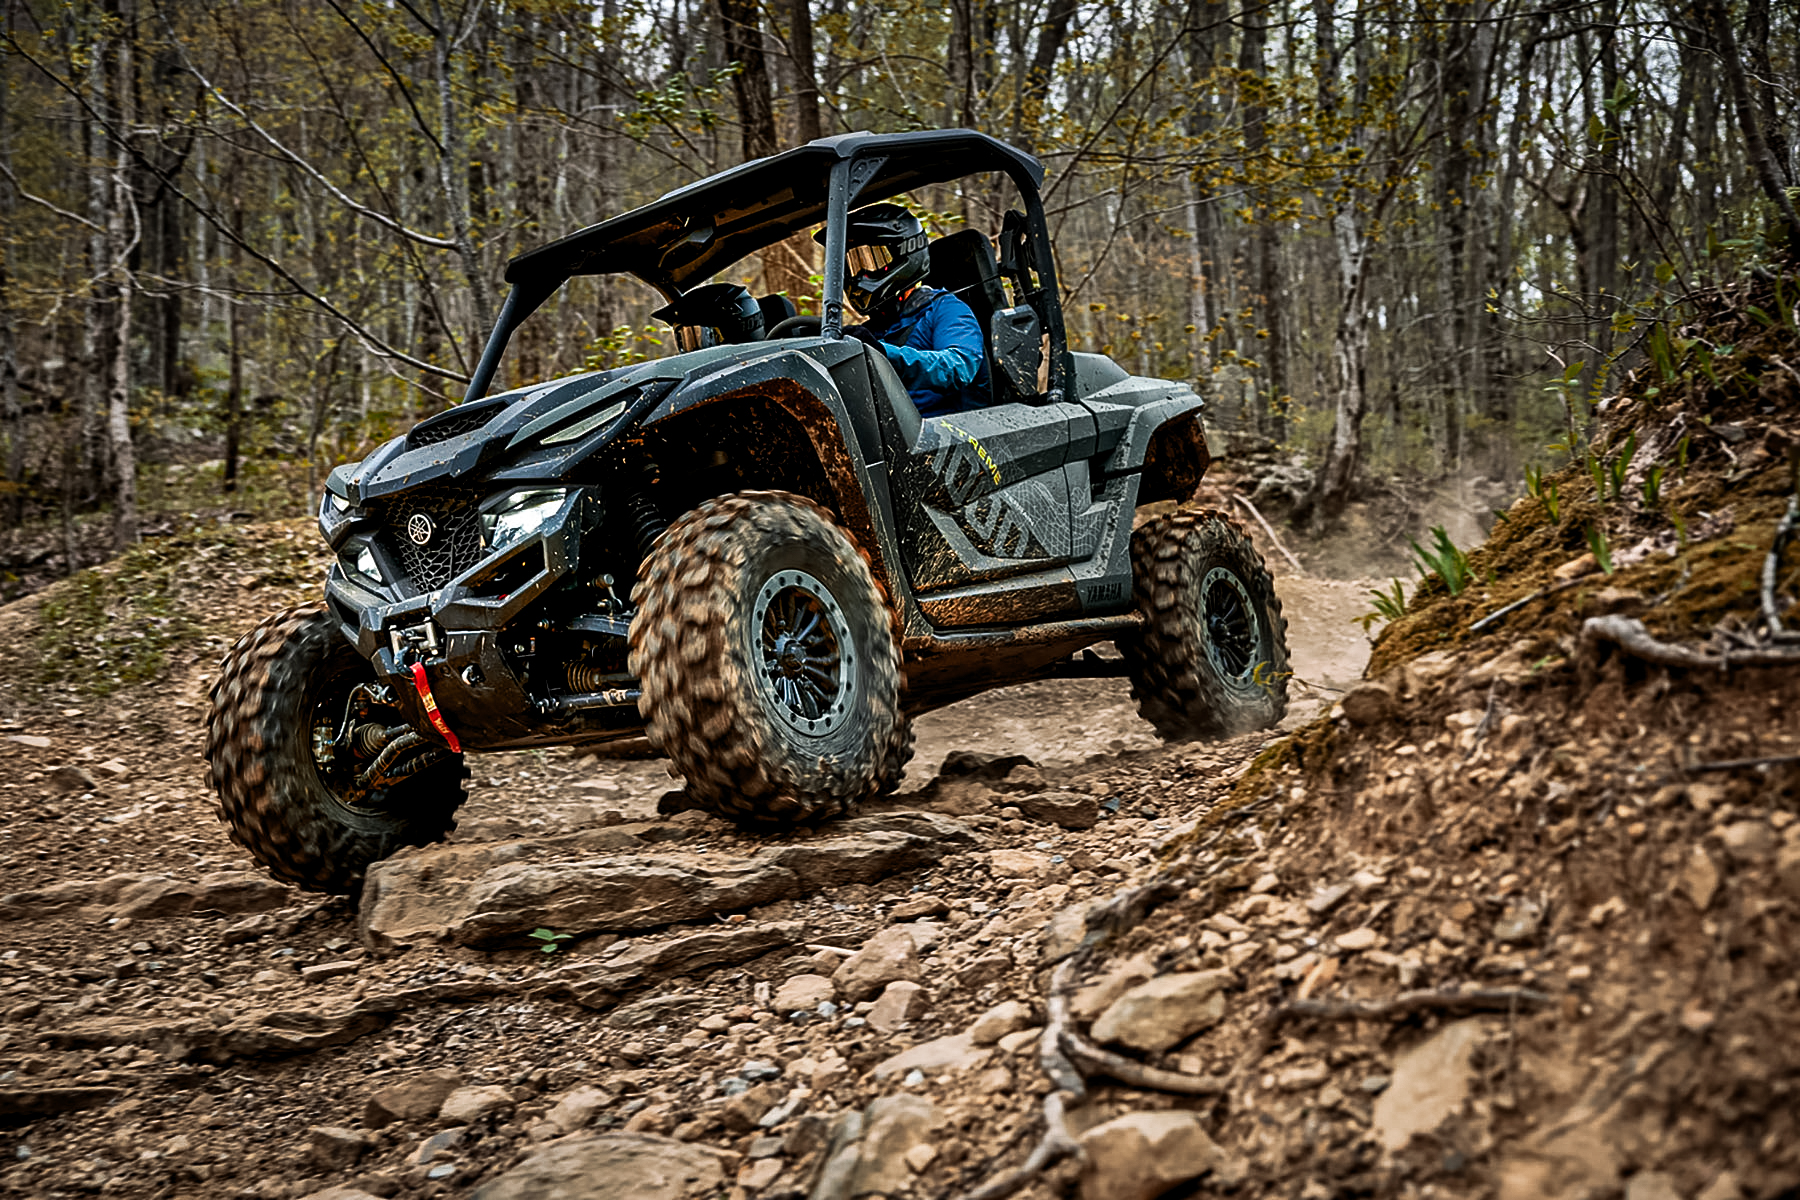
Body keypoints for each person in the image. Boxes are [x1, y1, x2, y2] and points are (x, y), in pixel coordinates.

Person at [820, 204, 990, 417]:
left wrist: (883, 355)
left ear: (905, 253)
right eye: (852, 266)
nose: (859, 275)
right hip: (895, 442)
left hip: (957, 437)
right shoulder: (872, 331)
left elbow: (958, 367)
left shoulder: (946, 309)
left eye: (871, 260)